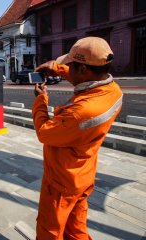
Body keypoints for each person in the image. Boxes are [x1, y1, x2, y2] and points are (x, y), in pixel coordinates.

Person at [32, 37, 123, 239]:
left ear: (82, 69)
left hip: (61, 182)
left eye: (70, 66)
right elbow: (83, 75)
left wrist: (40, 99)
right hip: (82, 175)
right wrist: (58, 68)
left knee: (50, 231)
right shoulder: (113, 90)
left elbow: (44, 132)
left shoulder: (80, 112)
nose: (68, 68)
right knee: (76, 230)